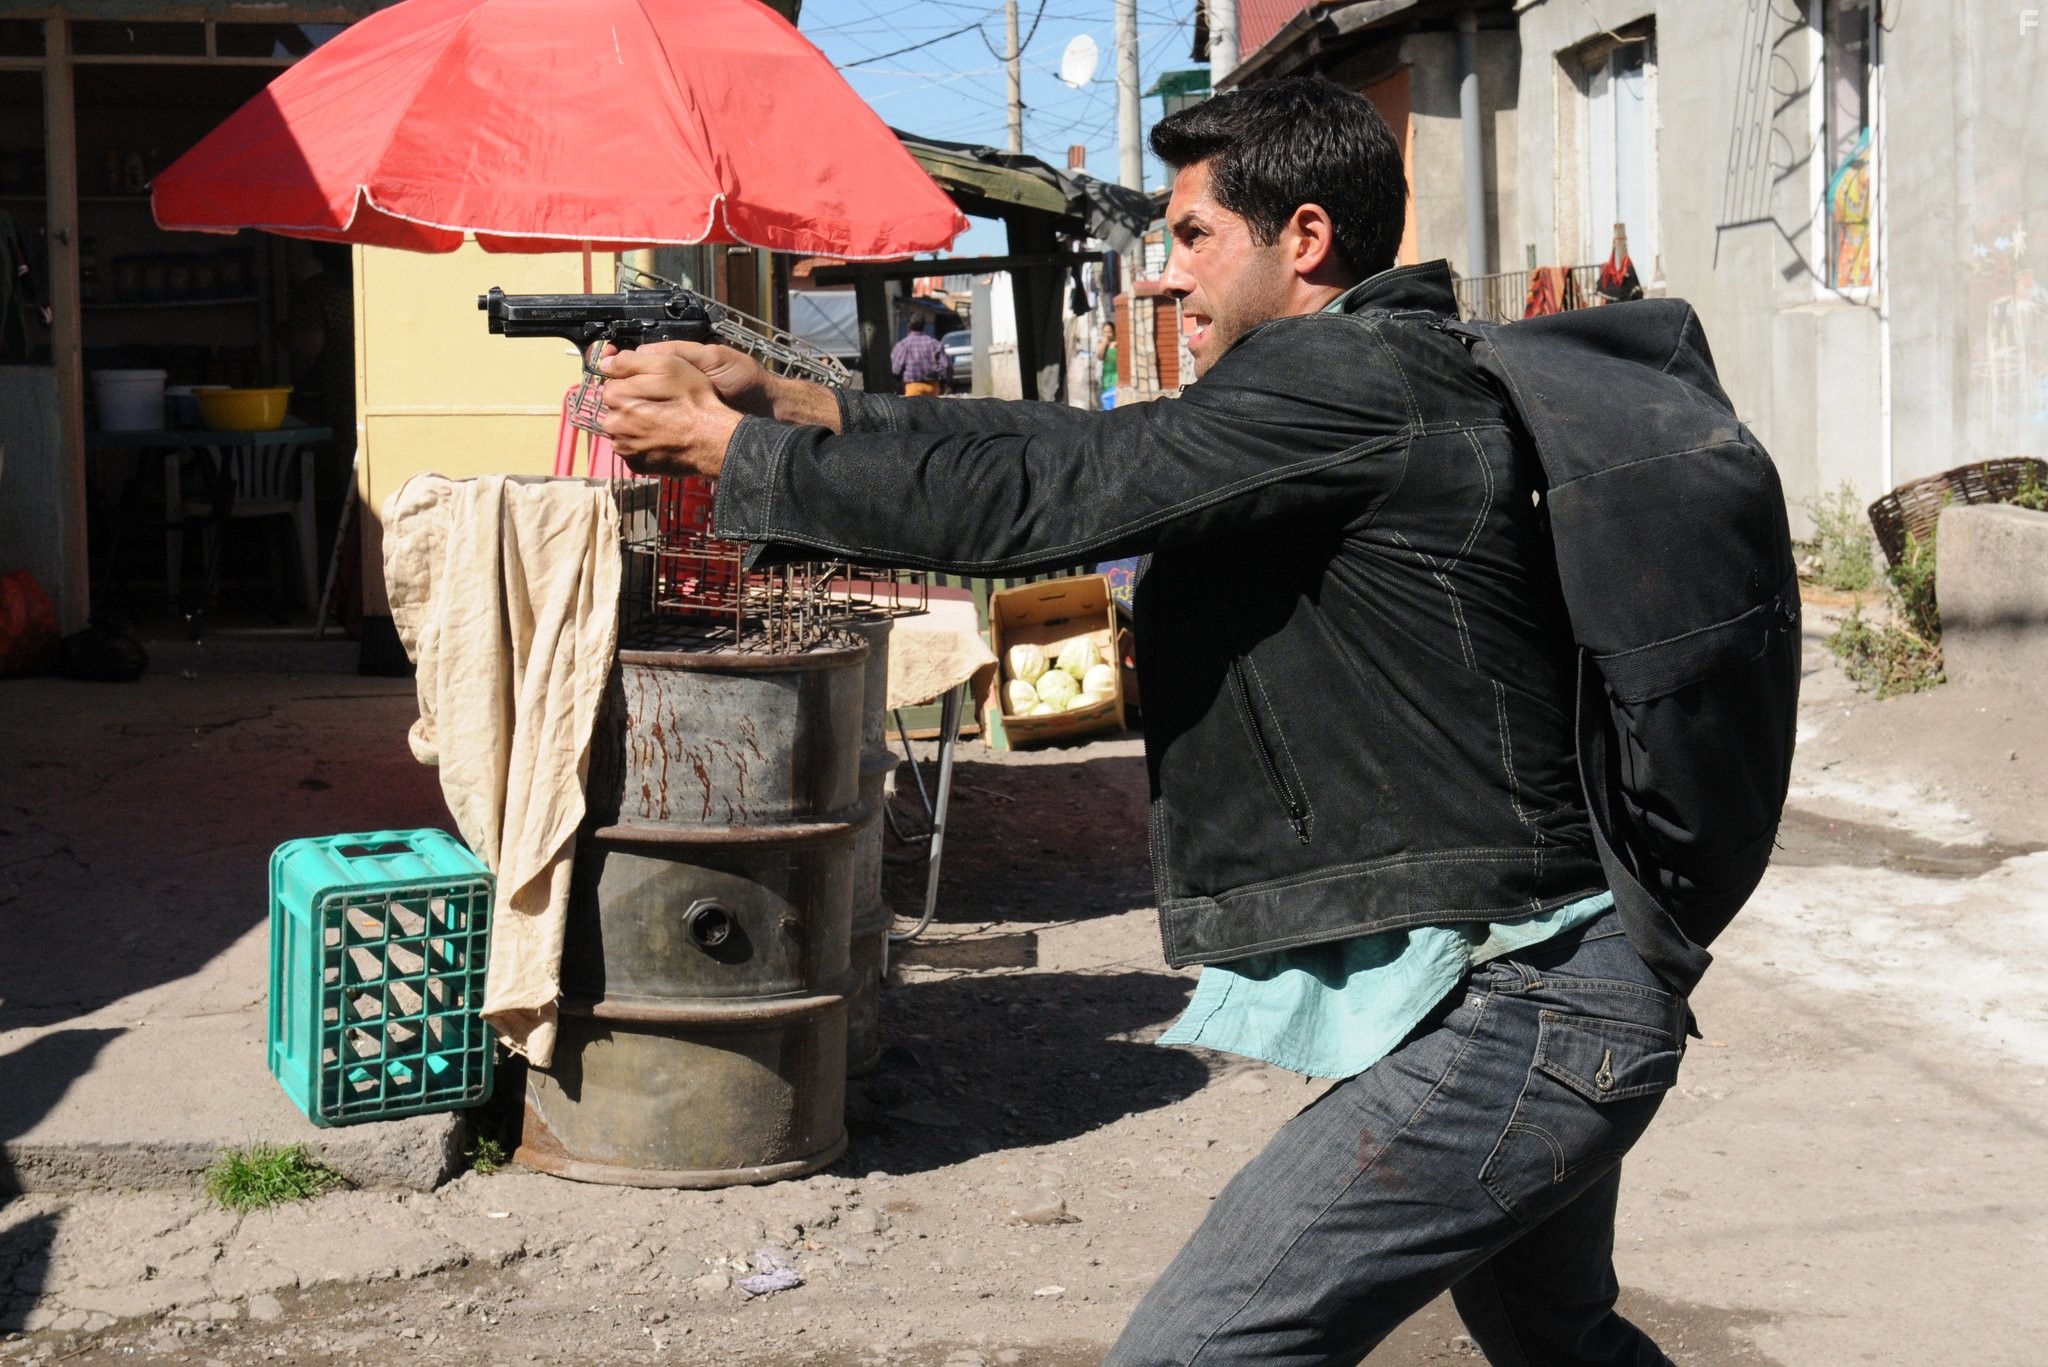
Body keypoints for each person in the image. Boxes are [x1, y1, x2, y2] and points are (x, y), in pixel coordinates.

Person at [596, 76, 1691, 1367]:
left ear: (1305, 241)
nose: (1166, 275)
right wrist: (801, 407)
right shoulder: (1365, 379)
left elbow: (1066, 489)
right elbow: (1080, 444)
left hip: (1527, 1006)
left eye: (1191, 235)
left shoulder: (1347, 385)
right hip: (1559, 980)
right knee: (1562, 1345)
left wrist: (746, 459)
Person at [888, 314, 951, 397]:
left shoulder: (903, 345)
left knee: (914, 410)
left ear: (908, 326)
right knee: (932, 410)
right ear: (924, 326)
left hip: (912, 387)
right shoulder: (935, 344)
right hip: (932, 387)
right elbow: (945, 366)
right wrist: (943, 384)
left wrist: (900, 383)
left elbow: (895, 370)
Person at [1098, 319, 1119, 409]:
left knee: (1115, 399)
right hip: (1106, 376)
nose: (1107, 334)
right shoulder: (1102, 344)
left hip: (1116, 375)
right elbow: (1100, 357)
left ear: (1114, 332)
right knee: (1106, 401)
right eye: (1105, 332)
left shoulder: (1117, 344)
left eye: (1109, 332)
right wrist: (1104, 344)